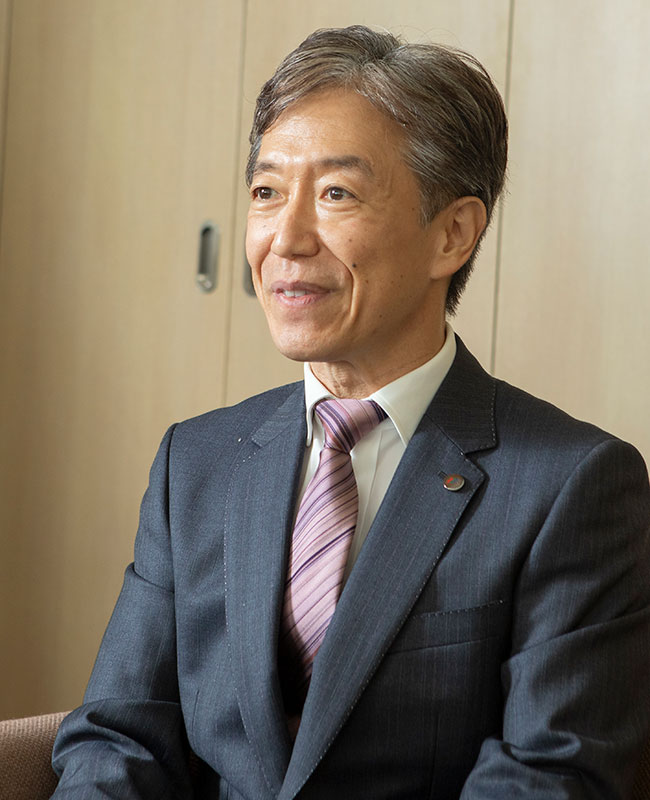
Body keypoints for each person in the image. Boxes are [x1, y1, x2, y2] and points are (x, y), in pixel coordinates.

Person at [51, 25, 650, 799]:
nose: (285, 238)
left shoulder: (572, 486)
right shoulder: (195, 462)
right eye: (267, 192)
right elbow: (120, 737)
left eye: (336, 194)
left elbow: (550, 776)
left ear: (453, 234)